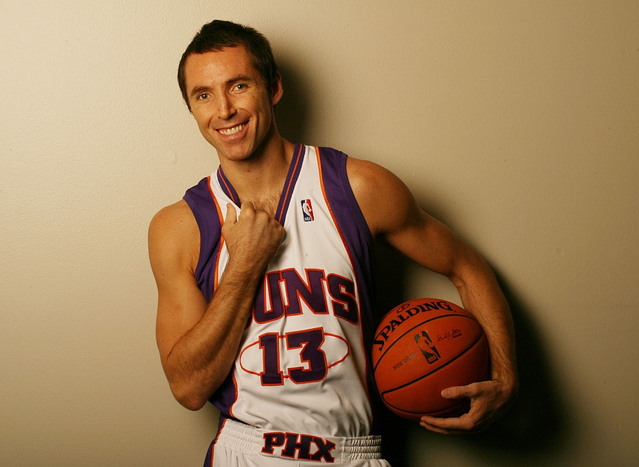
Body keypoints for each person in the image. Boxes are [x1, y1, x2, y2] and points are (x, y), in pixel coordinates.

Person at [148, 20, 517, 467]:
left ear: (273, 88)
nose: (224, 110)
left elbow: (467, 267)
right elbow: (188, 388)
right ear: (191, 108)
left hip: (352, 453)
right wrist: (244, 265)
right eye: (203, 95)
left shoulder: (358, 188)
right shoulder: (180, 227)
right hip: (247, 451)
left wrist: (505, 378)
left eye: (239, 86)